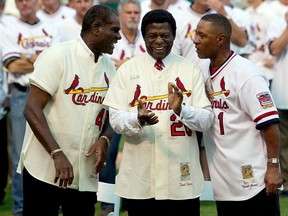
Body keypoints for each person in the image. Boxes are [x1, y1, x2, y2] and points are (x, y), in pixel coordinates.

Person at [103, 9, 214, 216]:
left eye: (165, 35)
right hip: (141, 179)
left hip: (182, 178)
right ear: (143, 37)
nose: (159, 41)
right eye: (152, 36)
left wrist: (182, 109)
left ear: (174, 35)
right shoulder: (127, 70)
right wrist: (137, 119)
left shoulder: (190, 70)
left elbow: (207, 120)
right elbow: (116, 120)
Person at [16, 5, 121, 216]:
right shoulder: (57, 56)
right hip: (45, 169)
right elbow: (32, 109)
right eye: (114, 30)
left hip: (84, 172)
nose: (119, 37)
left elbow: (113, 113)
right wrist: (57, 154)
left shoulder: (109, 65)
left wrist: (105, 139)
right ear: (97, 28)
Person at [193, 13, 282, 215]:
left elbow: (270, 124)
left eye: (202, 35)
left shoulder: (247, 74)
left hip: (255, 181)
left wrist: (273, 167)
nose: (195, 40)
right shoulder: (201, 70)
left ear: (220, 39)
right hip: (224, 182)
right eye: (196, 34)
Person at [1, 0, 55, 214]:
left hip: (50, 95)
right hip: (22, 94)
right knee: (20, 155)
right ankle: (20, 207)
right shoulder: (8, 27)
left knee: (52, 148)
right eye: (20, 0)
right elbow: (13, 64)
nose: (24, 3)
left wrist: (29, 58)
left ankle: (52, 202)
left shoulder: (51, 27)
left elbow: (57, 62)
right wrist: (42, 57)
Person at [267, 7, 288, 197]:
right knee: (284, 144)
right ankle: (287, 184)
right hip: (284, 91)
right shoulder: (278, 18)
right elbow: (274, 49)